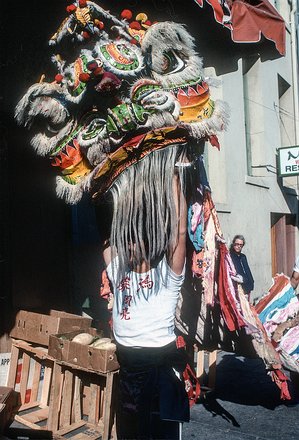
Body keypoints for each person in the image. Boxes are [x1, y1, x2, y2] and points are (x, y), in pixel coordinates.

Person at [103, 172, 190, 440]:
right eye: (126, 239)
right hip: (129, 363)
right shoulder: (118, 269)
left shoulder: (167, 274)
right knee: (130, 431)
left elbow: (180, 230)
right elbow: (106, 239)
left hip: (159, 363)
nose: (128, 245)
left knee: (161, 431)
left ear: (150, 241)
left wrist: (173, 180)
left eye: (134, 239)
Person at [229, 234, 254, 300]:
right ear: (233, 244)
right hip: (236, 287)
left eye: (241, 245)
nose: (238, 246)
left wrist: (251, 282)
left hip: (247, 287)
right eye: (237, 244)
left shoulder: (243, 257)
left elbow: (247, 270)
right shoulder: (229, 256)